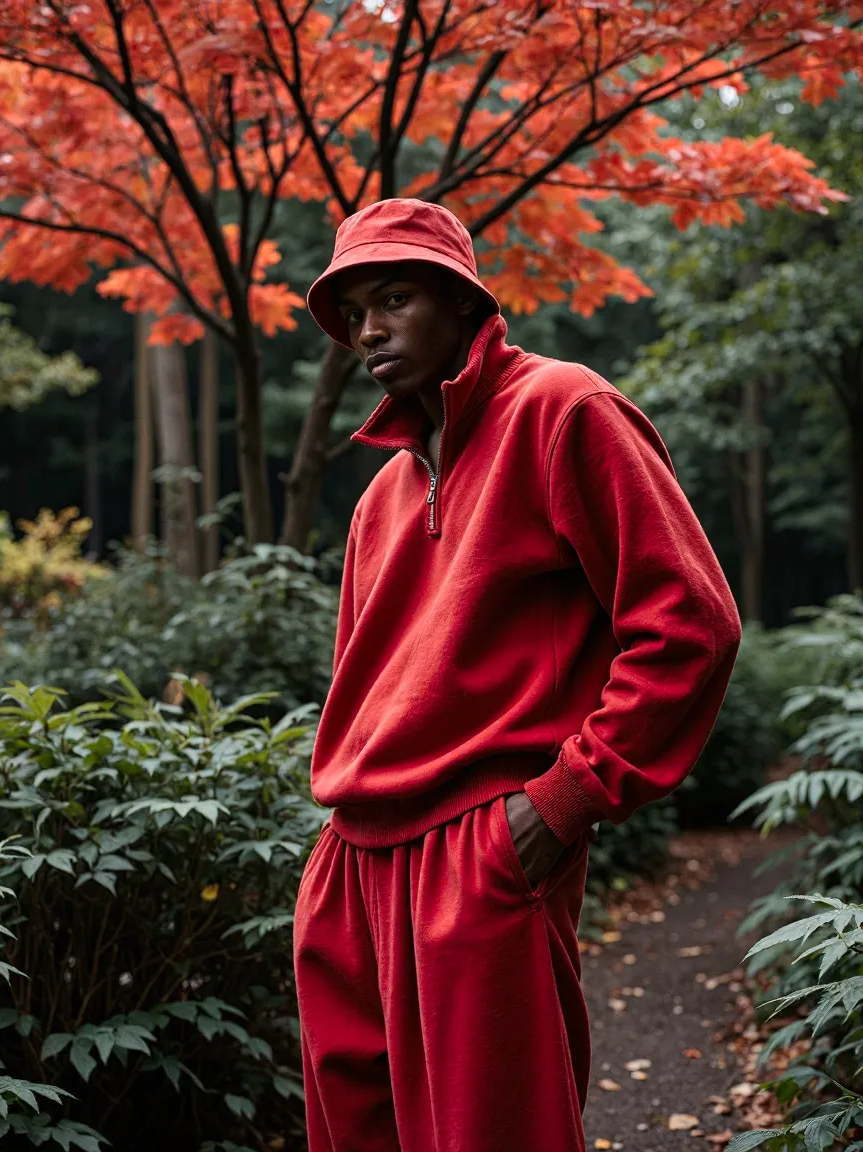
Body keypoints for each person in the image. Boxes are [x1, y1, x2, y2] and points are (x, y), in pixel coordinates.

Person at [293, 197, 742, 1152]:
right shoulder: (383, 494)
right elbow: (361, 687)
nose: (369, 327)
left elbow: (690, 624)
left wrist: (565, 799)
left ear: (462, 303)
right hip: (349, 867)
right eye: (353, 310)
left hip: (479, 854)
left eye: (396, 296)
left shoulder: (563, 409)